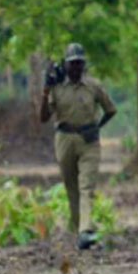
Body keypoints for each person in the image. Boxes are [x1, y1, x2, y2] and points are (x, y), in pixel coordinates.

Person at [39, 42, 117, 250]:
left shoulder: (93, 85)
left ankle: (85, 231)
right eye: (72, 63)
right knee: (71, 187)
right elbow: (44, 117)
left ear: (84, 65)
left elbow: (111, 109)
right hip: (64, 139)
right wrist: (45, 91)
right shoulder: (56, 88)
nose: (75, 67)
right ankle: (77, 231)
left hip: (88, 141)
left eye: (79, 63)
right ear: (65, 65)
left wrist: (97, 126)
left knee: (86, 187)